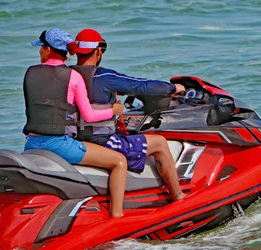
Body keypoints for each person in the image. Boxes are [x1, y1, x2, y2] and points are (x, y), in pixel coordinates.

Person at [69, 28, 185, 202]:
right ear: (99, 51)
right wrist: (174, 88)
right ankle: (179, 196)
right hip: (101, 142)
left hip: (74, 141)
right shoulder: (105, 77)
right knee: (160, 143)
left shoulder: (67, 75)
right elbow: (143, 86)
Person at [24, 28, 127, 218]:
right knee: (119, 161)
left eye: (41, 48)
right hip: (60, 145)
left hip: (31, 144)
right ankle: (117, 216)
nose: (40, 52)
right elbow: (88, 116)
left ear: (48, 50)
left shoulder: (30, 73)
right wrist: (113, 111)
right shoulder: (73, 76)